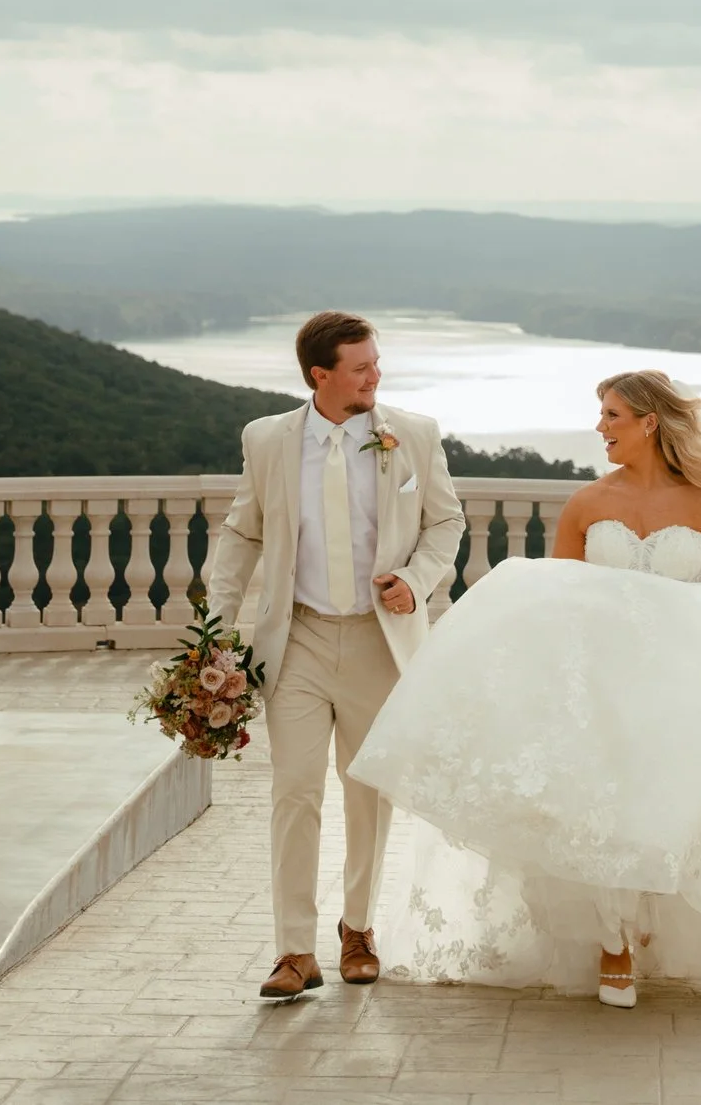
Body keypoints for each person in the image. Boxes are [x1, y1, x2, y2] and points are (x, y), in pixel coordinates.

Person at [349, 369, 701, 1008]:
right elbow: (557, 598)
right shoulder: (588, 505)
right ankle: (613, 940)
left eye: (612, 416)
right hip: (599, 686)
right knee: (604, 803)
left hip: (680, 681)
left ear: (649, 422)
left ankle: (655, 929)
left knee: (669, 803)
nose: (601, 428)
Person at [205, 310, 465, 1001]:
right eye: (361, 367)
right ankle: (294, 949)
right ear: (321, 376)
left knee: (367, 791)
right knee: (293, 791)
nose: (376, 376)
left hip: (380, 642)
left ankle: (359, 930)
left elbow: (447, 522)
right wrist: (212, 625)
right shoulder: (266, 440)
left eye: (376, 362)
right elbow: (241, 530)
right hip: (298, 639)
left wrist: (415, 581)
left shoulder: (412, 433)